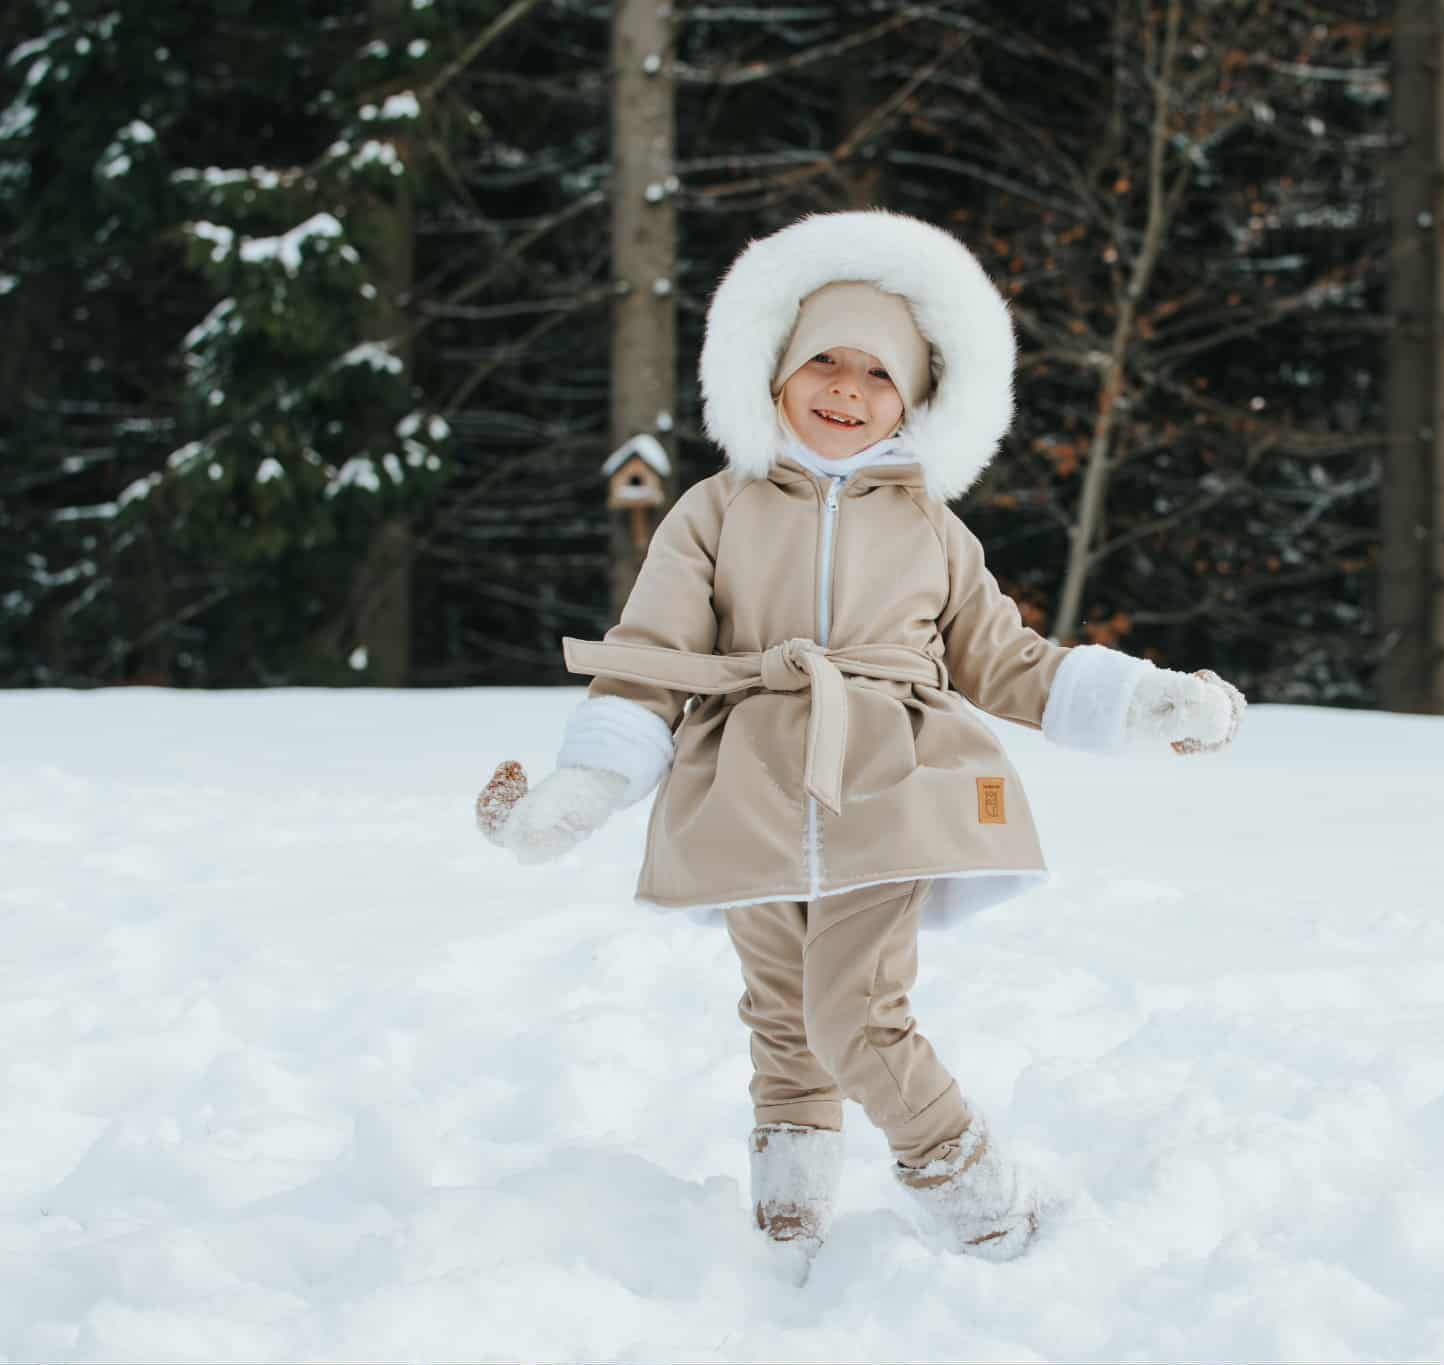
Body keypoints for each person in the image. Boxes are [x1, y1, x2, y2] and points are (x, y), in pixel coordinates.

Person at [478, 208, 1244, 1269]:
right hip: (744, 791)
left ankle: (981, 1202)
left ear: (918, 396)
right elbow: (647, 656)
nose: (846, 388)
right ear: (774, 373)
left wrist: (1142, 700)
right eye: (822, 362)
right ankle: (787, 1225)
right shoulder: (712, 509)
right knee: (784, 1014)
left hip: (890, 784)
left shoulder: (930, 522)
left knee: (853, 1011)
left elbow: (1003, 657)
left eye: (877, 374)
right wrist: (587, 785)